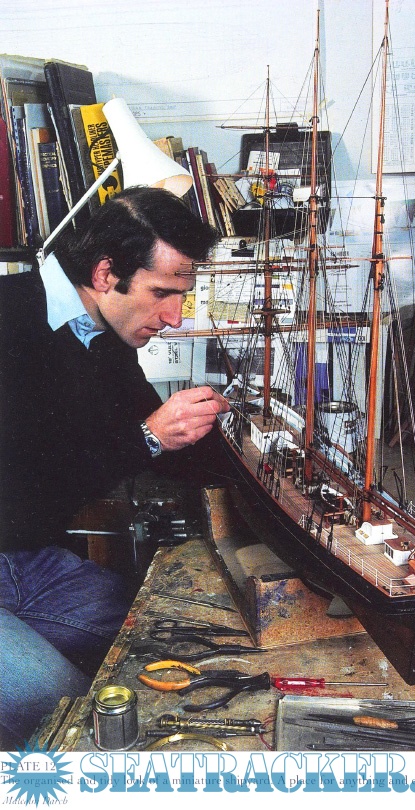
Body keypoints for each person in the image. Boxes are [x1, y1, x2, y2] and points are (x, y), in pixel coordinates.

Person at [0, 187, 229, 746]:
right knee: (74, 716)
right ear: (105, 273)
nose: (174, 317)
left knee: (172, 641)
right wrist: (149, 438)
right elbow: (24, 485)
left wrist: (250, 450)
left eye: (182, 296)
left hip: (26, 563)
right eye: (162, 293)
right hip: (16, 546)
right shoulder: (10, 316)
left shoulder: (103, 335)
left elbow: (161, 444)